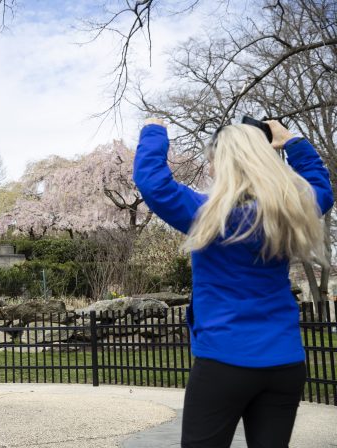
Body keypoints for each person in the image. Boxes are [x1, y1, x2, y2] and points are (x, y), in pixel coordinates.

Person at [133, 118, 333, 447]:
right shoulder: (290, 213)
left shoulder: (209, 216)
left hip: (224, 363)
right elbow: (321, 188)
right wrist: (292, 142)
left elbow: (154, 184)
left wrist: (154, 131)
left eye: (212, 161)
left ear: (224, 163)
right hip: (284, 363)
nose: (209, 169)